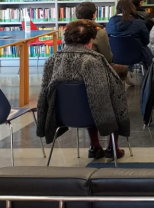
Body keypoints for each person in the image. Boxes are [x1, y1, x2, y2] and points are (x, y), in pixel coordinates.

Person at [37, 20, 130, 160]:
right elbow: (101, 96)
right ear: (90, 41)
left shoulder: (51, 60)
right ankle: (113, 147)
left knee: (88, 97)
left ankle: (94, 146)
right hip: (93, 116)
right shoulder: (93, 61)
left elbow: (44, 93)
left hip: (61, 116)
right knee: (112, 96)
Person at [105, 0, 151, 68]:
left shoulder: (110, 23)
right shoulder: (139, 23)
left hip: (115, 57)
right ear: (132, 8)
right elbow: (146, 41)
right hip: (136, 57)